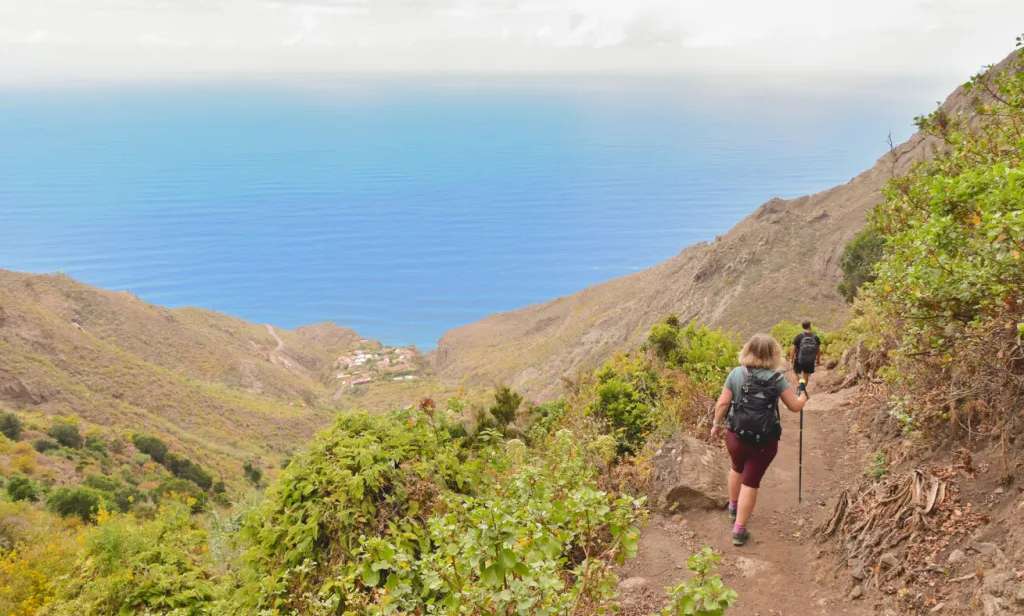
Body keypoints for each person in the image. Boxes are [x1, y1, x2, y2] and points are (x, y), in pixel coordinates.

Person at [710, 334, 808, 546]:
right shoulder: (777, 379)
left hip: (735, 435)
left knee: (736, 467)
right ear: (773, 355)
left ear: (747, 350)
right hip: (764, 441)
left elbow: (723, 404)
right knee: (751, 481)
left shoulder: (736, 373)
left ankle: (733, 508)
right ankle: (739, 530)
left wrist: (716, 425)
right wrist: (803, 395)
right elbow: (795, 406)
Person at [791, 321, 821, 386]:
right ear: (810, 326)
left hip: (799, 359)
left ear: (802, 327)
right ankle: (802, 389)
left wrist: (791, 359)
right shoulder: (815, 337)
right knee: (806, 375)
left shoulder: (799, 336)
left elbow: (793, 349)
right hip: (810, 360)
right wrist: (818, 360)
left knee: (796, 372)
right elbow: (818, 350)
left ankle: (800, 383)